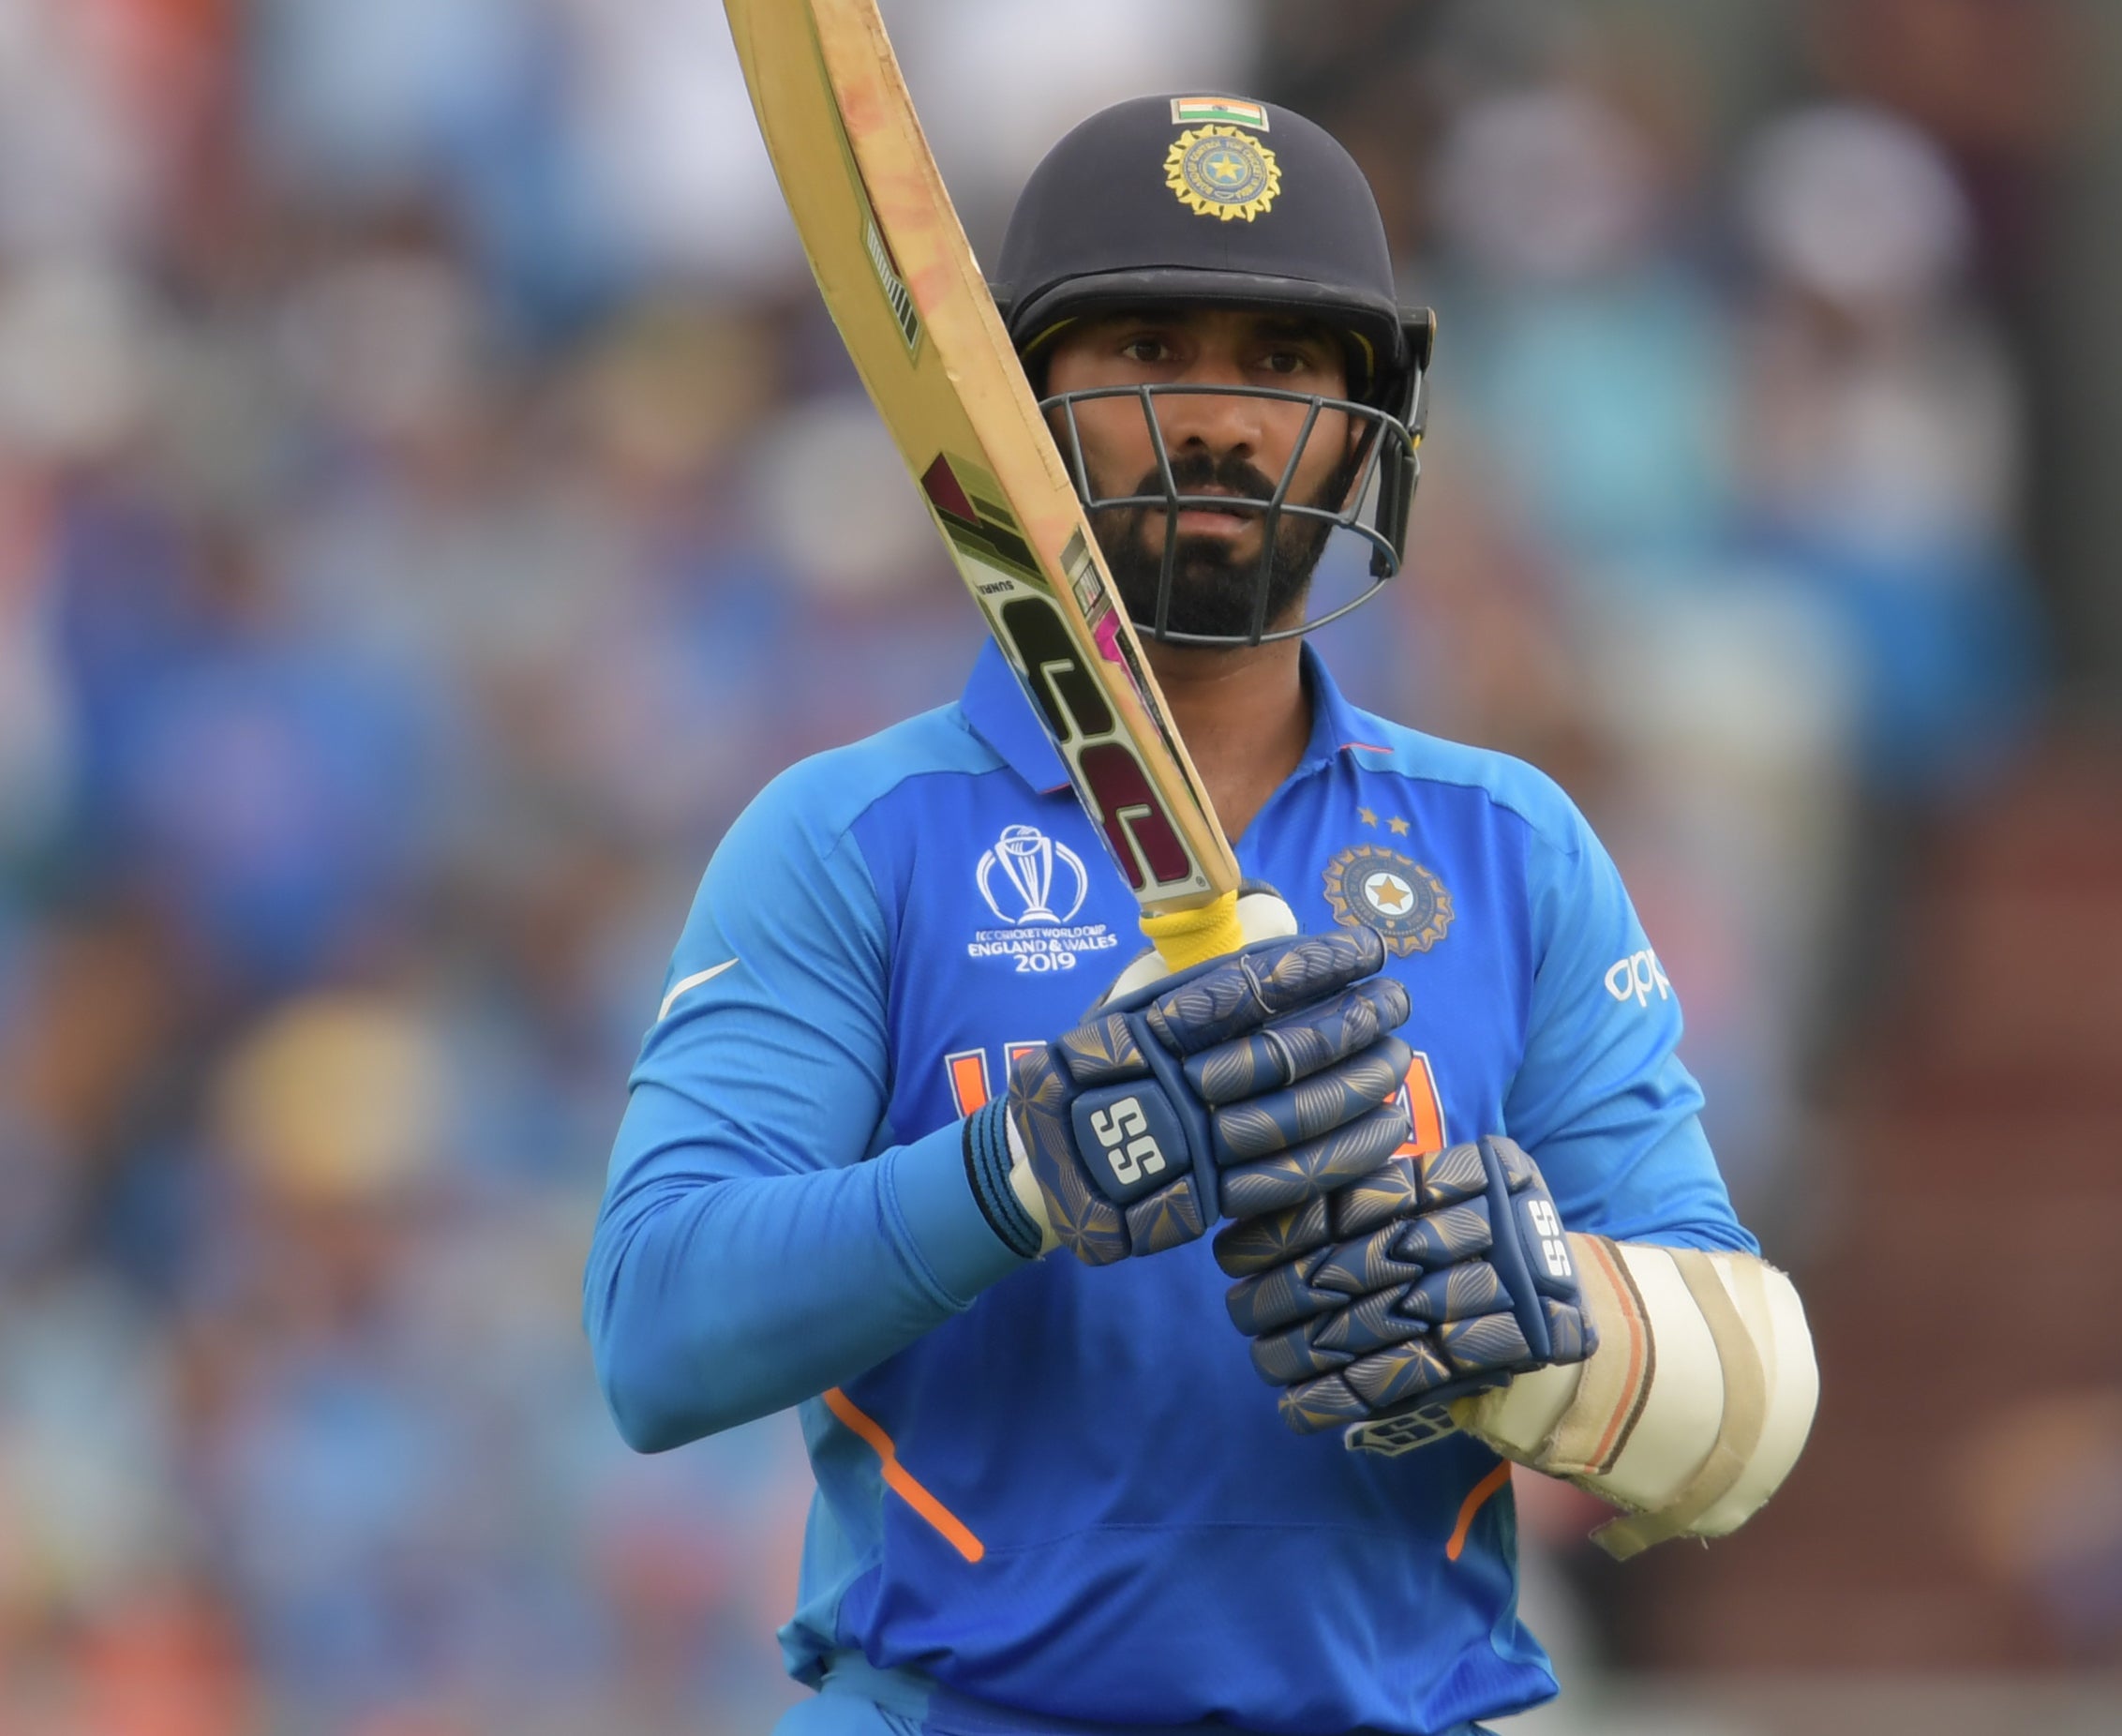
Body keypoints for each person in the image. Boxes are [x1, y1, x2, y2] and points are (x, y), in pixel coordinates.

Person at [584, 95, 1818, 1736]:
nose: (1222, 420)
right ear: (1018, 413)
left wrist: (1535, 1322)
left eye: (1286, 365)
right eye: (1151, 348)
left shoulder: (1508, 846)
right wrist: (1019, 1173)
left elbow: (1733, 1396)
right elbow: (656, 1335)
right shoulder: (852, 838)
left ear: (1369, 422)